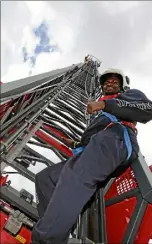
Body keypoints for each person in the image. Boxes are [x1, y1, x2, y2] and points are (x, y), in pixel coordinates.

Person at [32, 69, 152, 244]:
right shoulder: (101, 113)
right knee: (46, 179)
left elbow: (148, 109)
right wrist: (74, 143)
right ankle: (57, 231)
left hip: (116, 139)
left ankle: (46, 240)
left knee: (75, 178)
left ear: (123, 85)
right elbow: (92, 138)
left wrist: (104, 105)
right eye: (106, 82)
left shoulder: (129, 96)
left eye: (114, 81)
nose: (109, 83)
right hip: (96, 147)